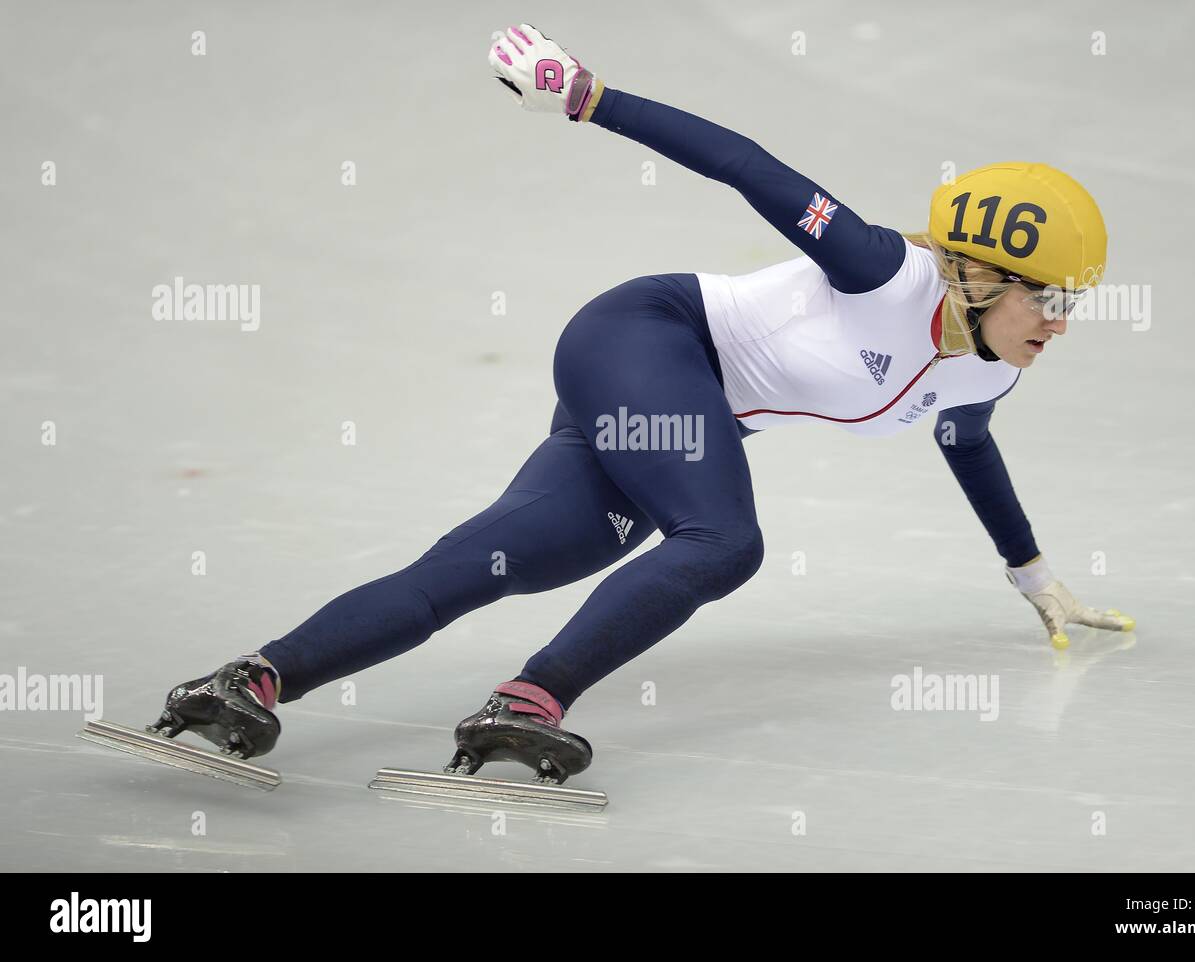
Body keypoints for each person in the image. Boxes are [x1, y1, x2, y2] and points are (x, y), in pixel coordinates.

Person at [145, 24, 1134, 785]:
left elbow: (966, 442)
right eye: (1046, 298)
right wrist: (590, 97)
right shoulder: (880, 271)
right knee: (721, 539)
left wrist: (1031, 573)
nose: (1058, 324)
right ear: (973, 274)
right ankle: (530, 701)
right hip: (644, 338)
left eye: (1070, 305)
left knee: (502, 557)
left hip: (670, 409)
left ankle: (250, 677)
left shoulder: (987, 367)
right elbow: (748, 165)